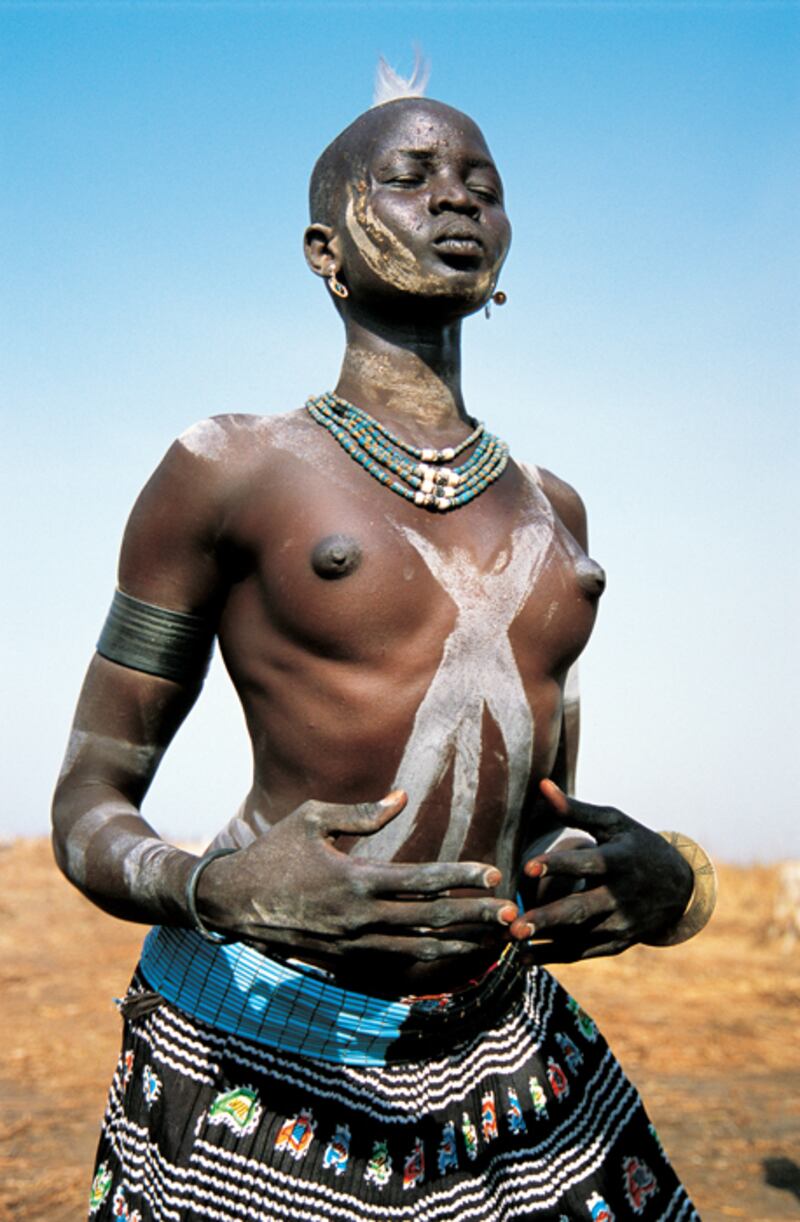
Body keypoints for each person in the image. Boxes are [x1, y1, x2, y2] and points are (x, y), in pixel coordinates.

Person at [53, 68, 715, 1221]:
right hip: (258, 1038)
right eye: (409, 179)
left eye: (481, 185)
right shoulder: (226, 467)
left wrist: (666, 886)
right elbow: (89, 797)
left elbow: (547, 812)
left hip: (503, 1053)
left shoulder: (554, 510)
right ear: (325, 246)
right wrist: (214, 888)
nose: (455, 200)